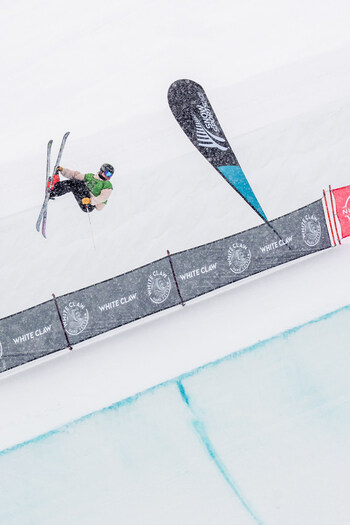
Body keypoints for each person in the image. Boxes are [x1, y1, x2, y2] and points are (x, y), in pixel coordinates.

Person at [49, 163, 114, 212]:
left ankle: (54, 189)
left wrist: (90, 201)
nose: (108, 177)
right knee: (75, 182)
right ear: (101, 171)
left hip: (89, 205)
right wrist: (63, 170)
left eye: (110, 175)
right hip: (84, 198)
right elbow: (75, 175)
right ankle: (54, 190)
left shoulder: (107, 185)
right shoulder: (91, 176)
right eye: (107, 174)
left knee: (77, 183)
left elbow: (103, 198)